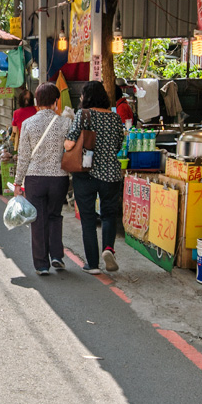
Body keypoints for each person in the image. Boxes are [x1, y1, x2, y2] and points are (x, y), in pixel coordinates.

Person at [66, 81, 127, 274]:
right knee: (109, 215)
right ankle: (108, 249)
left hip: (86, 173)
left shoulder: (83, 115)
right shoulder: (115, 118)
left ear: (87, 97)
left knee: (88, 219)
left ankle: (92, 264)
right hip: (111, 174)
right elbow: (118, 145)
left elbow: (69, 144)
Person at [13, 82, 73, 276]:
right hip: (58, 178)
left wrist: (17, 182)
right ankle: (56, 256)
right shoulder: (65, 123)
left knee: (37, 220)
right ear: (56, 102)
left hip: (35, 178)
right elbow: (70, 149)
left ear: (37, 102)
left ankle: (41, 264)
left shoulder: (28, 124)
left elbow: (23, 156)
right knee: (55, 216)